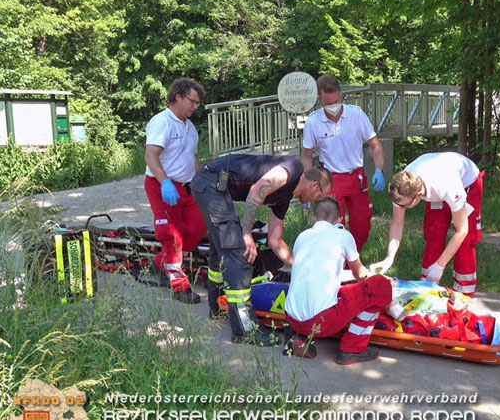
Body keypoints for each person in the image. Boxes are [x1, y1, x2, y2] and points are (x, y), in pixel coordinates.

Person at [191, 154, 333, 346]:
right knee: (239, 255)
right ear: (315, 185)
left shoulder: (284, 198)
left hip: (214, 186)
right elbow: (258, 189)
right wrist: (246, 232)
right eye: (320, 197)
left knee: (222, 249)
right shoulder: (293, 169)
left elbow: (275, 240)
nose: (317, 202)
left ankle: (217, 307)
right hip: (211, 182)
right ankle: (245, 331)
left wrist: (300, 266)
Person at [285, 197, 410, 365]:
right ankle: (353, 349)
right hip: (322, 321)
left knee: (346, 291)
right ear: (340, 219)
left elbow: (330, 275)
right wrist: (379, 279)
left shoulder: (302, 236)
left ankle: (300, 337)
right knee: (379, 287)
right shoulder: (343, 235)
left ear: (314, 218)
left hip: (293, 319)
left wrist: (359, 277)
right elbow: (360, 273)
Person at [370, 152, 485, 297]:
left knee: (465, 242)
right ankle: (426, 288)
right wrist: (389, 257)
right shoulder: (401, 187)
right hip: (435, 184)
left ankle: (464, 294)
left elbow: (462, 230)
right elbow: (397, 224)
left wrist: (440, 266)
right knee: (434, 233)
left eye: (406, 206)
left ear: (418, 196)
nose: (402, 209)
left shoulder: (447, 186)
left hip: (468, 184)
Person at [301, 74, 386, 253]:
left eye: (336, 100)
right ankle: (334, 260)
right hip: (329, 179)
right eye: (328, 103)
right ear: (320, 100)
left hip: (356, 176)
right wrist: (307, 185)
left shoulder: (356, 114)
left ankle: (353, 258)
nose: (333, 106)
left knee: (362, 224)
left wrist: (379, 170)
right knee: (330, 225)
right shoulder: (313, 122)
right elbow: (307, 155)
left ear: (341, 94)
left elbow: (375, 145)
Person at [144, 78, 207, 304]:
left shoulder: (189, 128)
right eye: (192, 101)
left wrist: (201, 182)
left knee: (198, 227)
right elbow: (151, 155)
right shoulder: (162, 122)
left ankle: (162, 263)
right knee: (172, 235)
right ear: (178, 96)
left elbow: (192, 158)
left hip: (187, 187)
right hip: (163, 185)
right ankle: (179, 285)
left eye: (198, 103)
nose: (195, 107)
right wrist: (165, 183)